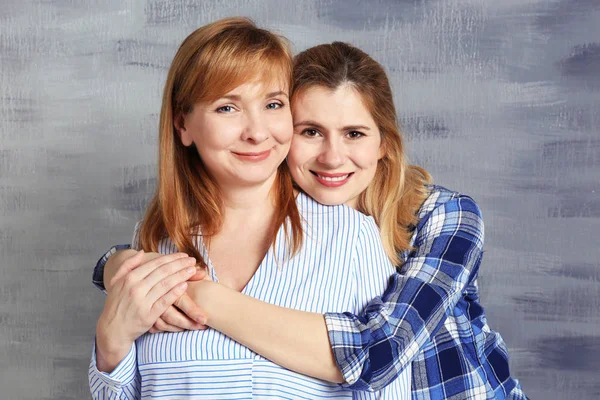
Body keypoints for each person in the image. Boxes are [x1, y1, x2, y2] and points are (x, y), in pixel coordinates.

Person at [95, 40, 528, 399]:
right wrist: (119, 266)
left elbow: (379, 351)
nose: (332, 157)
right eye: (310, 131)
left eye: (354, 133)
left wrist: (200, 296)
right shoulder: (211, 217)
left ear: (384, 144)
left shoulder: (443, 216)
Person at [88, 18, 411, 400]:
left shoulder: (351, 237)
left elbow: (387, 388)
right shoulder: (155, 242)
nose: (256, 132)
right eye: (228, 108)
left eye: (273, 104)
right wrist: (110, 344)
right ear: (183, 124)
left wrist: (202, 295)